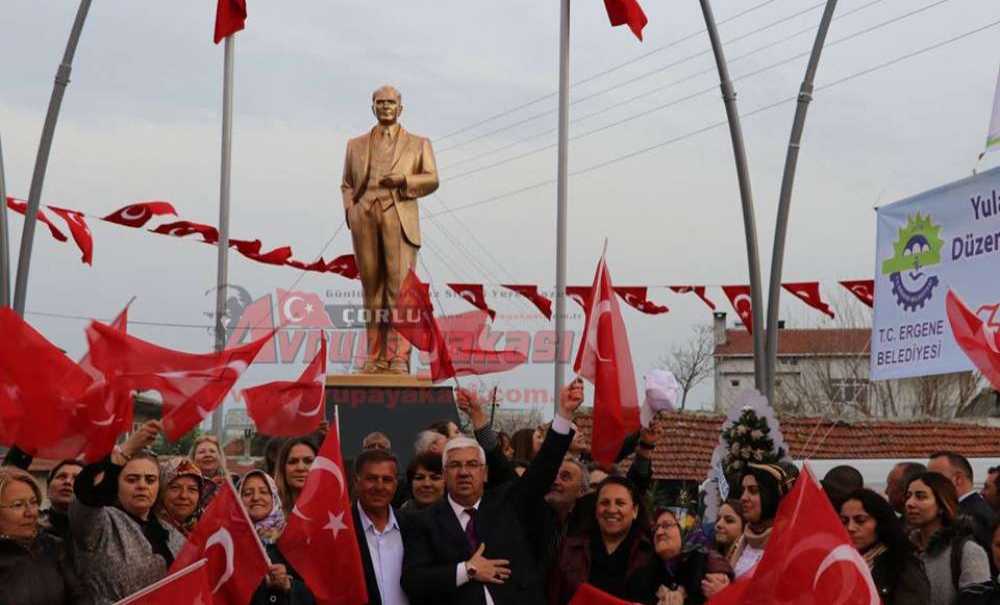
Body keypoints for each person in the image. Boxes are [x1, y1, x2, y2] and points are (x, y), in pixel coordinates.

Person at [401, 381, 582, 605]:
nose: (464, 472)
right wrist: (467, 570)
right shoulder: (422, 522)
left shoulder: (508, 503)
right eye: (456, 466)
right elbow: (413, 581)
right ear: (444, 475)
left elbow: (543, 470)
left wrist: (564, 414)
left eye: (472, 465)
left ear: (485, 473)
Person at [341, 84, 439, 374]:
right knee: (372, 289)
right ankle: (375, 357)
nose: (385, 107)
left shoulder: (419, 143)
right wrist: (351, 210)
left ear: (400, 108)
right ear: (373, 107)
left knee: (399, 290)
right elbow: (346, 183)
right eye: (380, 102)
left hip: (398, 214)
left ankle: (398, 358)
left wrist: (404, 180)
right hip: (365, 216)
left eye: (391, 103)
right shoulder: (355, 145)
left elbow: (432, 179)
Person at [72, 420, 173, 603]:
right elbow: (87, 494)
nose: (142, 485)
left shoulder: (168, 530)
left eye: (150, 480)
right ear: (115, 482)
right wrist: (125, 451)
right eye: (132, 479)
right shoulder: (100, 523)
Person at [549, 476, 655, 605]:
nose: (611, 510)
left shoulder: (649, 553)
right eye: (605, 503)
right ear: (595, 509)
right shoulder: (568, 549)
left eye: (620, 503)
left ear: (635, 511)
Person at [0, 466, 89, 605]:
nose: (31, 513)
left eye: (34, 502)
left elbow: (79, 596)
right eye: (18, 505)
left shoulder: (53, 546)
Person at [905, 471, 992, 605]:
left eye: (921, 497)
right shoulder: (904, 550)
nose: (910, 503)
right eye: (908, 496)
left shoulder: (968, 552)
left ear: (941, 505)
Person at [840, 488, 930, 605]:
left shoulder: (902, 565)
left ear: (881, 523)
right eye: (844, 521)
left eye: (860, 520)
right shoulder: (839, 563)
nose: (850, 528)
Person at [240, 470, 316, 605]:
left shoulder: (293, 537)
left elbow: (316, 592)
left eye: (264, 492)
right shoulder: (230, 542)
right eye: (247, 493)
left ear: (274, 497)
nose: (256, 497)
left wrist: (288, 585)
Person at [353, 448, 409, 605]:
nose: (379, 487)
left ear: (396, 484)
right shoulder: (342, 530)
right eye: (371, 478)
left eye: (387, 479)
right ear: (357, 482)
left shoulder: (412, 526)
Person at [648, 508, 734, 605]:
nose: (659, 532)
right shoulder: (648, 571)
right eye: (655, 528)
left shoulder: (712, 567)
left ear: (687, 530)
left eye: (666, 525)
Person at [728, 463, 789, 579]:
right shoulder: (743, 539)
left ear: (770, 497)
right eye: (743, 490)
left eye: (753, 490)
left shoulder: (786, 543)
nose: (743, 497)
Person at [929, 452, 996, 553]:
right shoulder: (971, 510)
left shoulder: (975, 515)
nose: (928, 485)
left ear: (957, 479)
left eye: (935, 479)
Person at [155, 456, 204, 555]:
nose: (183, 496)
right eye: (175, 488)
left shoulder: (205, 529)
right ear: (161, 492)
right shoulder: (150, 530)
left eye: (192, 489)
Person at [189, 434, 235, 509]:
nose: (208, 455)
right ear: (193, 458)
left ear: (220, 457)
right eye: (201, 452)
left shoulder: (233, 482)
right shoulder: (185, 482)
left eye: (212, 451)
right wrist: (210, 487)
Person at [42, 460, 83, 541]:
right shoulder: (31, 527)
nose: (67, 482)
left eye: (76, 478)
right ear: (47, 490)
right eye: (61, 476)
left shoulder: (102, 530)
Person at [275, 437, 318, 513]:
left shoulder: (334, 509)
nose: (300, 468)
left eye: (308, 461)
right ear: (282, 468)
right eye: (293, 462)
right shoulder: (270, 512)